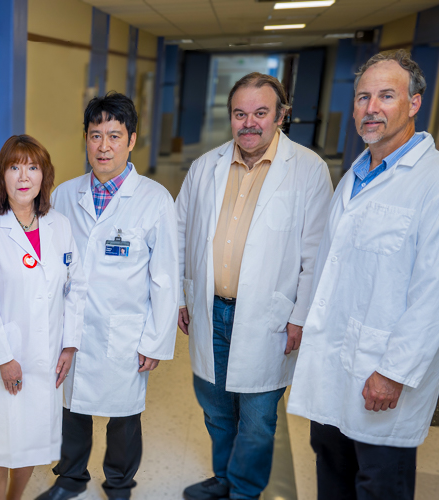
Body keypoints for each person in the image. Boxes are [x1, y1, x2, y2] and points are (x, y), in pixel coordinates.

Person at [287, 49, 439, 500]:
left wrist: (394, 372)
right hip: (333, 367)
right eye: (362, 98)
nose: (370, 108)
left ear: (413, 104)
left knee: (379, 484)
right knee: (332, 471)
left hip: (381, 375)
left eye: (386, 96)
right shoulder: (355, 176)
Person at [176, 73, 333, 500]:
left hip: (270, 316)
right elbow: (178, 233)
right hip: (209, 309)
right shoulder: (205, 166)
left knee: (259, 417)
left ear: (281, 116)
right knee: (215, 408)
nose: (249, 123)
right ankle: (224, 477)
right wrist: (180, 296)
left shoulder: (308, 169)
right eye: (240, 113)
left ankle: (245, 491)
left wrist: (300, 316)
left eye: (260, 113)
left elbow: (316, 255)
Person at [37, 91, 178, 500]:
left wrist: (156, 340)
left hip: (126, 331)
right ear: (85, 138)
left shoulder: (154, 200)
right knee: (72, 409)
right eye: (95, 135)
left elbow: (166, 278)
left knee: (124, 417)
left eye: (114, 136)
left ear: (131, 140)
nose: (104, 146)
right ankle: (70, 478)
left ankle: (119, 482)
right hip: (74, 327)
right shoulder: (64, 194)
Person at [0, 134, 86, 500]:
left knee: (33, 437)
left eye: (32, 167)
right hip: (1, 356)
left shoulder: (59, 226)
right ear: (2, 175)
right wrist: (3, 358)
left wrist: (69, 345)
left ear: (44, 176)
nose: (23, 176)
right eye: (14, 167)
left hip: (46, 355)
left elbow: (76, 286)